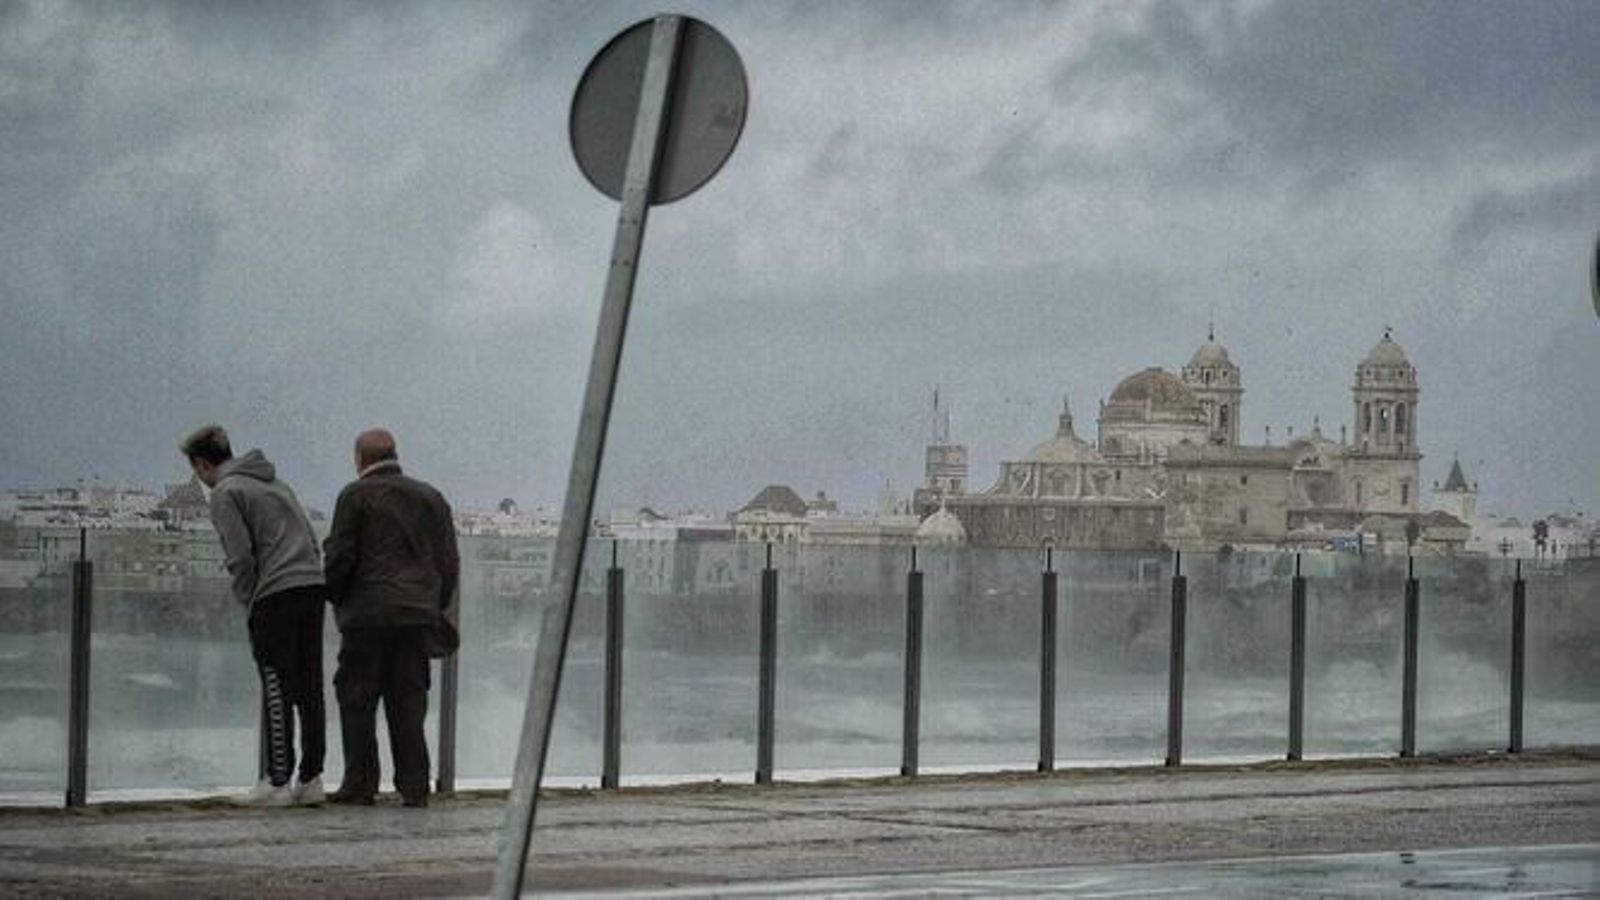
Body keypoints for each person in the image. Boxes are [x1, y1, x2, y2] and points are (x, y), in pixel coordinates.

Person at [180, 425, 327, 808]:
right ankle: (311, 779)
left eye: (195, 470)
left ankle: (276, 781)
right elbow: (310, 539)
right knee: (310, 685)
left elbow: (240, 555)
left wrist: (249, 598)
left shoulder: (226, 493)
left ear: (200, 464)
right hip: (311, 586)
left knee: (277, 683)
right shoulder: (277, 484)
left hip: (275, 593)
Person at [323, 428, 459, 807]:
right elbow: (449, 561)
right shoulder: (431, 497)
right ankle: (415, 785)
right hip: (415, 617)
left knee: (357, 699)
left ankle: (360, 784)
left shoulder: (354, 496)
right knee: (408, 702)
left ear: (360, 458)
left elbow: (341, 557)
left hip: (366, 617)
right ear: (394, 454)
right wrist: (434, 603)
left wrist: (333, 594)